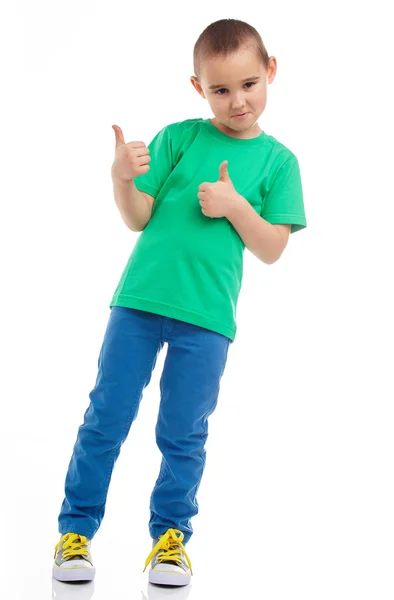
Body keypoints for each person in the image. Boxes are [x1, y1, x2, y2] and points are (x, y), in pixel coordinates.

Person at [52, 17, 307, 587]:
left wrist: (238, 207)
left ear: (270, 71)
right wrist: (121, 180)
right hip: (139, 302)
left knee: (183, 431)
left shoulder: (279, 162)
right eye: (220, 89)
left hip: (207, 319)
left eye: (248, 83)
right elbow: (139, 218)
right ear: (199, 88)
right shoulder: (181, 137)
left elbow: (273, 249)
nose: (237, 101)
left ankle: (170, 539)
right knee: (107, 417)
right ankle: (75, 532)